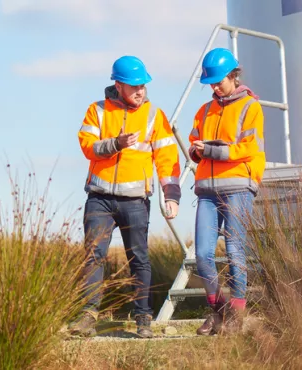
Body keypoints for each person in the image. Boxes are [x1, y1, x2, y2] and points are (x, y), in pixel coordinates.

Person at [69, 55, 181, 338]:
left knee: (139, 258)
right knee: (93, 256)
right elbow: (88, 147)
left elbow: (167, 158)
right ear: (117, 85)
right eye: (133, 86)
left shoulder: (155, 115)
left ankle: (143, 318)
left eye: (142, 85)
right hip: (99, 198)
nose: (139, 91)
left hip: (135, 201)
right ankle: (88, 316)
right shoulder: (97, 111)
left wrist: (172, 194)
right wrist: (116, 144)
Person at [188, 47, 265, 336]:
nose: (215, 86)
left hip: (238, 188)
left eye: (219, 80)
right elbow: (195, 142)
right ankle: (219, 312)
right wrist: (196, 152)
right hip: (206, 190)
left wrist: (210, 150)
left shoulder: (251, 107)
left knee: (234, 251)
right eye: (211, 82)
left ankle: (236, 316)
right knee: (203, 255)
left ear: (234, 75)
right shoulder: (204, 111)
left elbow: (249, 149)